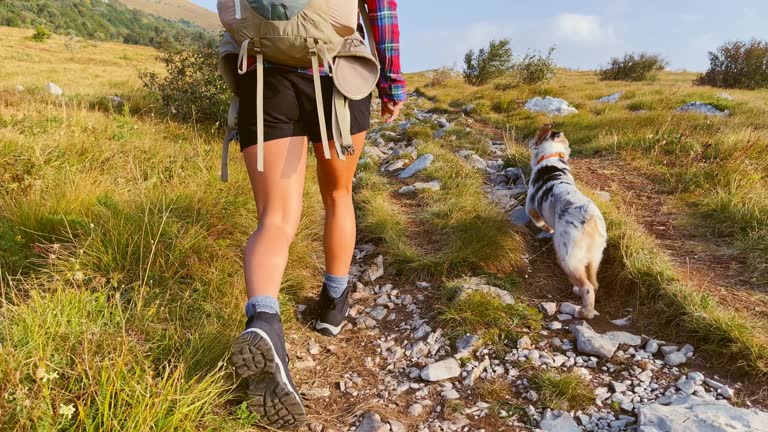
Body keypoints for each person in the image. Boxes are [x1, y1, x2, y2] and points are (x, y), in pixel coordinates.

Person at [226, 1, 406, 429]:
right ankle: (332, 305)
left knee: (274, 217)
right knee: (339, 194)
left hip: (265, 73)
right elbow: (382, 9)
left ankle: (266, 319)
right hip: (337, 71)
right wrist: (392, 84)